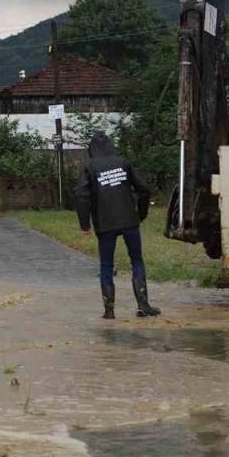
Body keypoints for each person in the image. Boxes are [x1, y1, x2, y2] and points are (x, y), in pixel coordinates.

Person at [74, 132, 158, 319]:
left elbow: (81, 194)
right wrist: (140, 214)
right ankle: (143, 305)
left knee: (106, 265)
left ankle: (109, 310)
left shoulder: (90, 166)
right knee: (136, 260)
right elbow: (143, 189)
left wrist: (84, 224)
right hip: (129, 220)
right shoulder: (123, 163)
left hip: (105, 224)